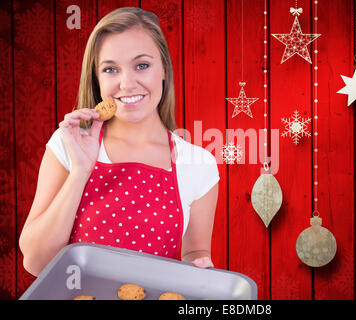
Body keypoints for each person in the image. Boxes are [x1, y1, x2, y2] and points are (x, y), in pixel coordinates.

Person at [19, 7, 219, 277]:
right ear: (97, 79)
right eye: (111, 69)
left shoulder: (198, 164)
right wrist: (80, 171)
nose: (127, 83)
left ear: (163, 69)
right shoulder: (68, 144)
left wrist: (203, 268)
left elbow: (195, 254)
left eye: (142, 65)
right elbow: (35, 261)